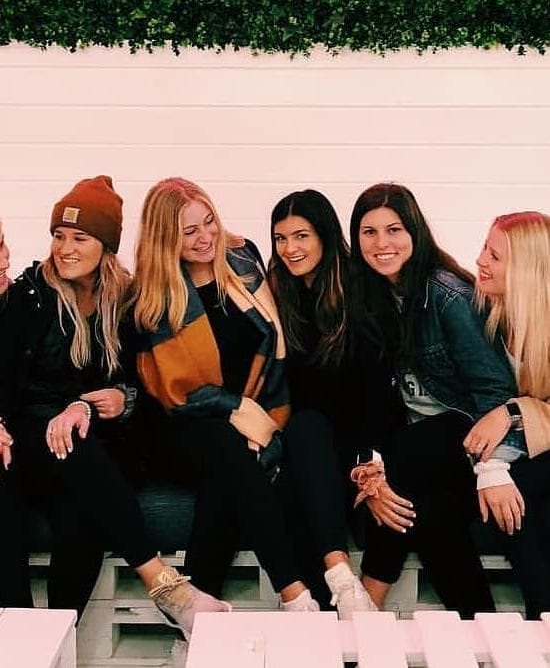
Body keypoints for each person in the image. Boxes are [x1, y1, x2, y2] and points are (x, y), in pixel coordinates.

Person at [0, 176, 228, 634]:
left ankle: (48, 643)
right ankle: (164, 584)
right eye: (59, 236)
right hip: (29, 445)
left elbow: (141, 382)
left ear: (106, 245)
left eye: (79, 238)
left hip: (94, 453)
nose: (65, 249)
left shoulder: (126, 299)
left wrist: (120, 398)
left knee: (81, 513)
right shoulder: (30, 295)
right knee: (70, 442)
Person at [129, 176, 319, 611]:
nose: (205, 237)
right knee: (224, 444)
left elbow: (274, 345)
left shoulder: (242, 262)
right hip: (174, 428)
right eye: (188, 231)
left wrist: (247, 416)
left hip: (243, 425)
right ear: (164, 238)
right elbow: (172, 396)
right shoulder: (150, 300)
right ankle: (294, 592)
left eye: (209, 222)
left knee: (227, 471)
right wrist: (236, 410)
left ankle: (197, 620)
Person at [348, 182, 518, 617]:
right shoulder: (370, 296)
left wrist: (376, 477)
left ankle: (363, 605)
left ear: (415, 232)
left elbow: (493, 393)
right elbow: (372, 400)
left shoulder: (446, 295)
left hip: (470, 438)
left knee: (414, 447)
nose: (382, 243)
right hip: (424, 459)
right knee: (431, 515)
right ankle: (482, 630)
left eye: (394, 230)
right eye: (369, 232)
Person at [269, 189, 377, 618]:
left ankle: (334, 584)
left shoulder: (359, 291)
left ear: (325, 237)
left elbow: (376, 395)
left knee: (306, 430)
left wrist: (370, 464)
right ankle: (338, 589)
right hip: (307, 450)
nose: (290, 248)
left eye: (301, 236)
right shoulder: (282, 294)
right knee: (292, 474)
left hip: (353, 449)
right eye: (280, 238)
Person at [463, 211, 550, 618]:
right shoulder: (483, 314)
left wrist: (512, 412)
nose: (480, 260)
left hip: (532, 455)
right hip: (520, 455)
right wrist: (493, 466)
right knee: (517, 500)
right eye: (485, 247)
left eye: (495, 256)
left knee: (523, 493)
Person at [0, 218, 34, 608]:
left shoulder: (21, 302)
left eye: (3, 243)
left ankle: (27, 628)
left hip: (22, 440)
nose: (5, 259)